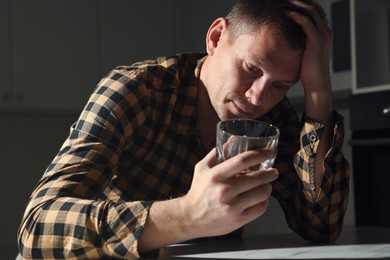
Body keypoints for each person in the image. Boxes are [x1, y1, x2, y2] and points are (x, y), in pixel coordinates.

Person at [17, 0, 350, 258]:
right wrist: (187, 215)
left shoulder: (273, 119)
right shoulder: (136, 91)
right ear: (216, 37)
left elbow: (321, 225)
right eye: (250, 68)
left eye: (281, 85)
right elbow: (37, 226)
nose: (258, 97)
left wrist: (318, 89)